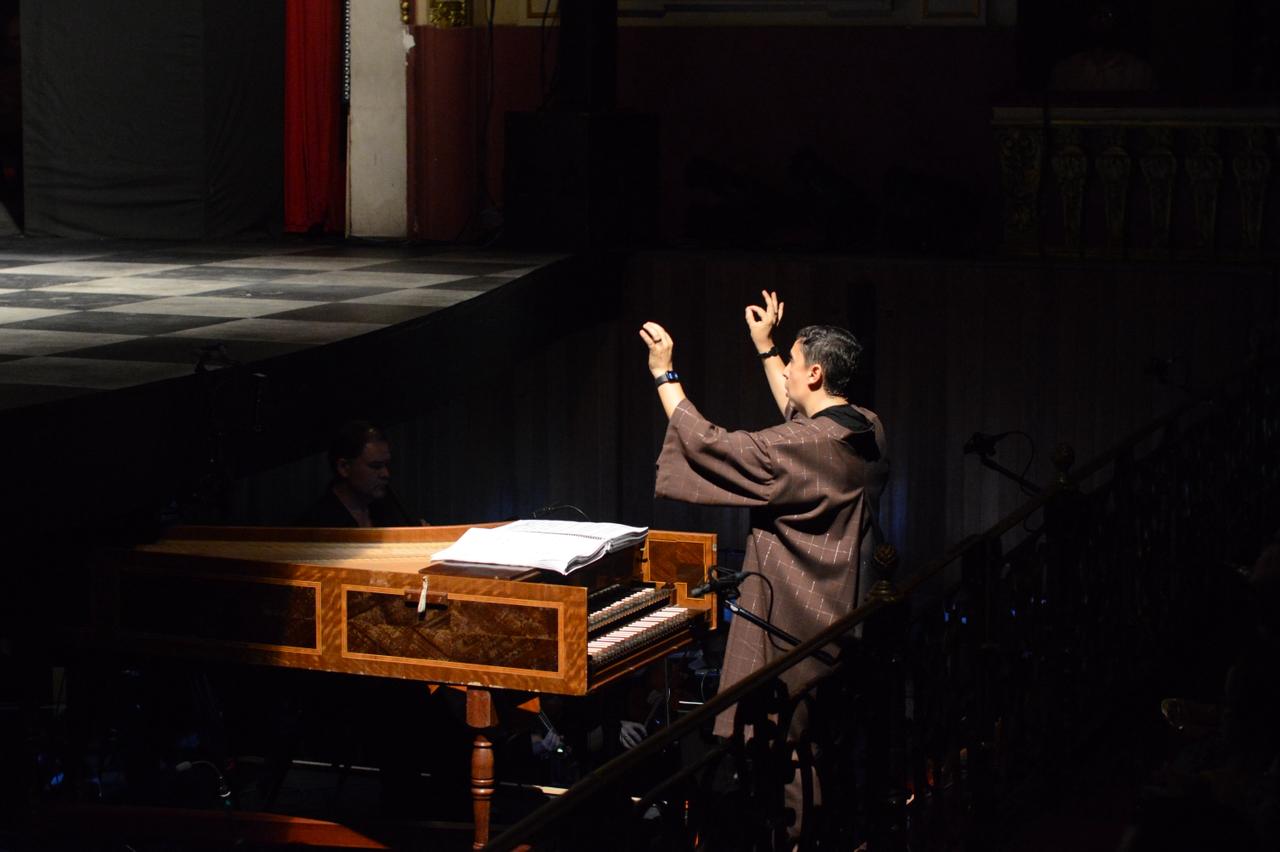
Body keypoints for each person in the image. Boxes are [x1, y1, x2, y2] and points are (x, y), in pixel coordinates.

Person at [296, 420, 412, 527]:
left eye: (387, 465)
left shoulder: (387, 512)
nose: (386, 474)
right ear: (344, 467)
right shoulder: (316, 525)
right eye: (375, 466)